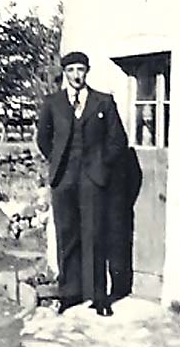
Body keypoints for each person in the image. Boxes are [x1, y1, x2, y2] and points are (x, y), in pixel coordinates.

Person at [36, 51, 128, 316]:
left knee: (95, 235)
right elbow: (43, 138)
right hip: (63, 178)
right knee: (68, 235)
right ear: (65, 73)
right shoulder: (53, 103)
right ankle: (70, 293)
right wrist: (57, 161)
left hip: (93, 179)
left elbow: (117, 140)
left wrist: (100, 164)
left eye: (81, 70)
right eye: (71, 70)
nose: (76, 75)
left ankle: (100, 297)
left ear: (87, 71)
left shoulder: (103, 102)